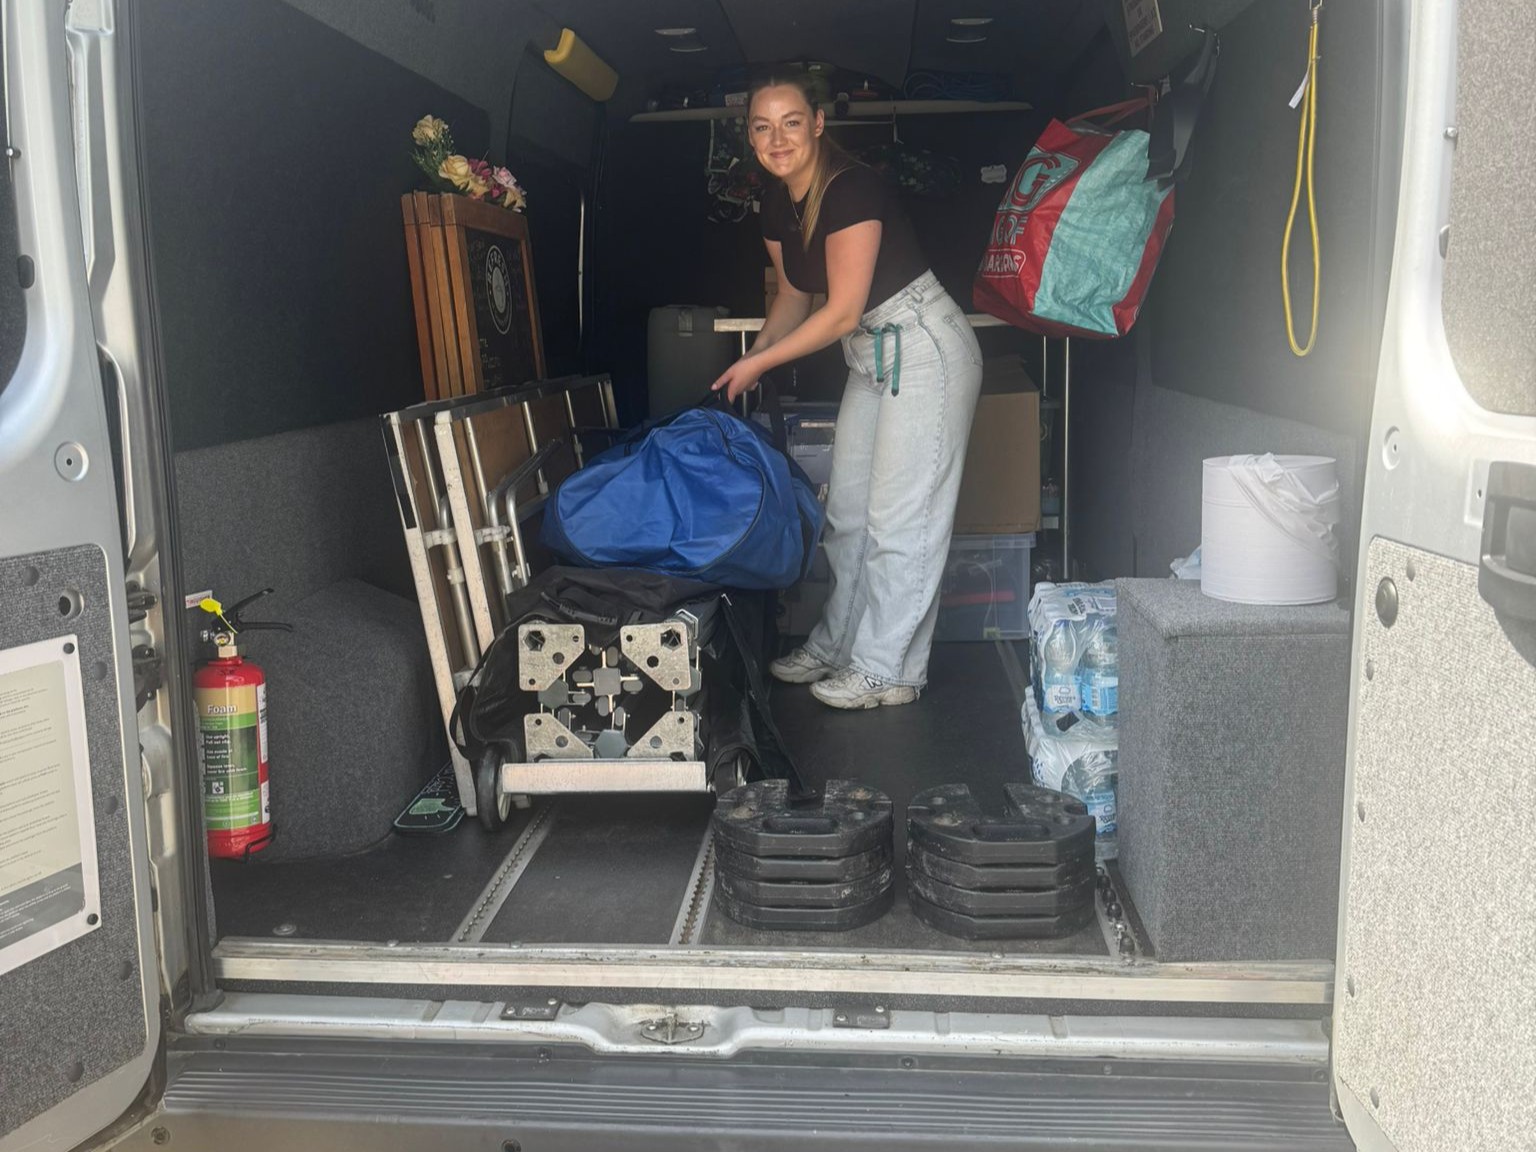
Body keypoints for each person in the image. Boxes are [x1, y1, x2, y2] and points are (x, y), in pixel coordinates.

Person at [712, 72, 984, 710]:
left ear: (817, 124)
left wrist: (759, 367)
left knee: (901, 519)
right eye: (762, 126)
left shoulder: (852, 187)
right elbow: (792, 299)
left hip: (922, 345)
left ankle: (888, 669)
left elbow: (838, 311)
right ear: (749, 136)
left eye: (791, 122)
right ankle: (838, 645)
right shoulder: (777, 203)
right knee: (849, 515)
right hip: (871, 356)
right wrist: (747, 363)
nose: (777, 138)